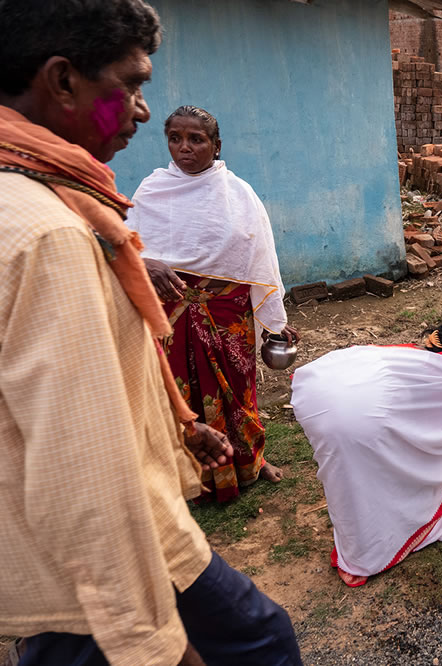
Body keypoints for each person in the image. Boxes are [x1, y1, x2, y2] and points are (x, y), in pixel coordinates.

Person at [0, 1, 302, 665]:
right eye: (131, 85)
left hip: (81, 531)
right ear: (60, 81)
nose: (139, 112)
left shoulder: (52, 192)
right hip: (99, 551)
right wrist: (152, 645)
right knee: (263, 645)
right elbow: (77, 458)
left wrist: (176, 421)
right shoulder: (49, 231)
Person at [126, 106, 297, 503]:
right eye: (175, 138)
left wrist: (273, 321)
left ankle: (251, 462)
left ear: (216, 146)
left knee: (239, 390)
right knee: (176, 393)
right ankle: (187, 477)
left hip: (227, 312)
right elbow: (126, 248)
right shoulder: (152, 190)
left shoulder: (238, 194)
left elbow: (260, 261)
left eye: (196, 139)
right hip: (169, 313)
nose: (184, 148)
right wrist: (144, 262)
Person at [291, 322, 442, 587]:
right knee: (363, 482)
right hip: (352, 421)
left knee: (355, 478)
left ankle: (362, 545)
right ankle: (362, 559)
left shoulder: (405, 353)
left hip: (316, 392)